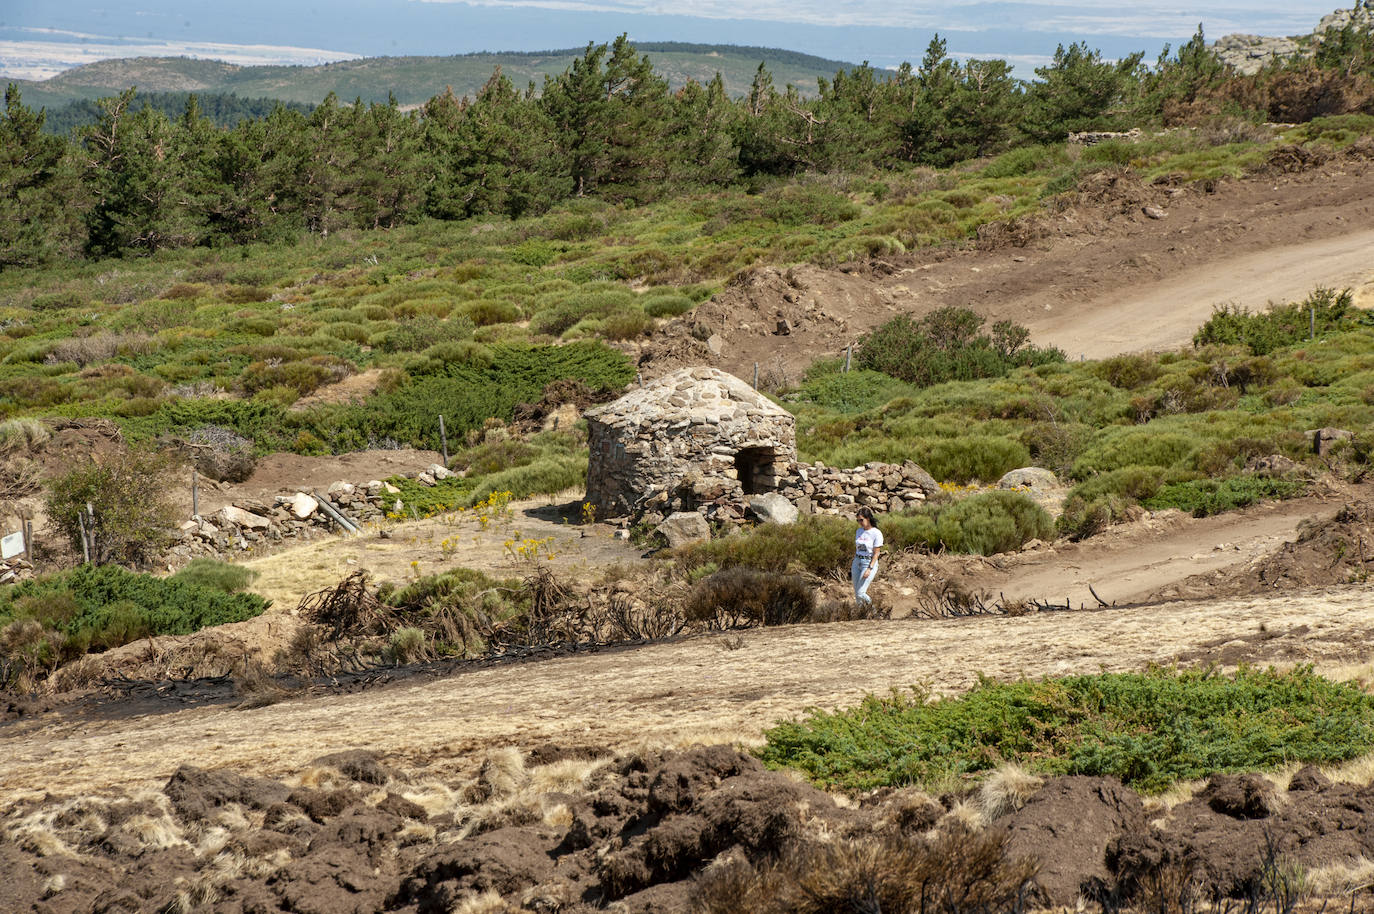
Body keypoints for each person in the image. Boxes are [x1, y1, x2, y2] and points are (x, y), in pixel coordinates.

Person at [852, 506, 883, 609]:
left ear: (868, 518)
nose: (860, 522)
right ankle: (860, 615)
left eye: (861, 520)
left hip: (868, 563)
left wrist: (870, 568)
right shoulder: (859, 531)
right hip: (857, 562)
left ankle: (874, 611)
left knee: (861, 593)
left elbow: (876, 553)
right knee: (857, 594)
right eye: (858, 520)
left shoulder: (876, 533)